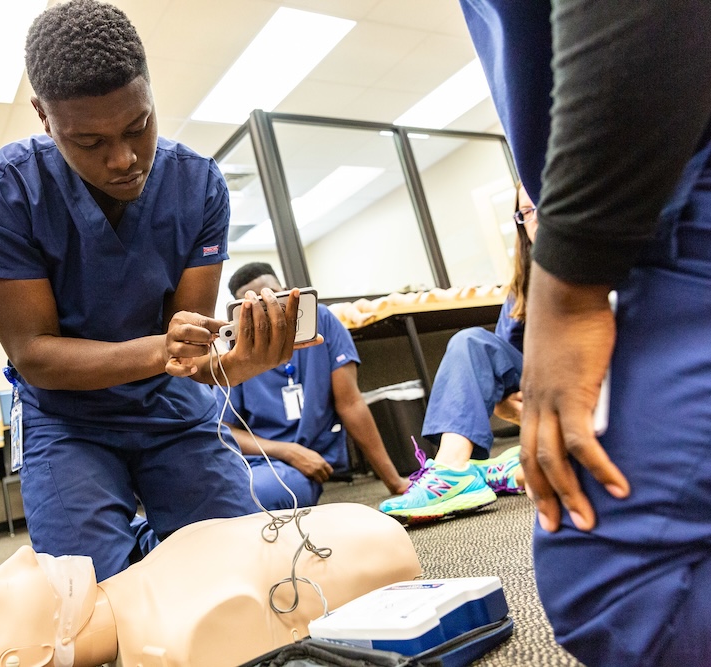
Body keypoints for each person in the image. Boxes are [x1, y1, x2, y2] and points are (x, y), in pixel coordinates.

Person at [0, 0, 307, 582]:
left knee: (239, 575)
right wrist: (161, 352)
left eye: (137, 126)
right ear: (44, 117)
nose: (123, 159)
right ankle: (141, 546)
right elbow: (34, 355)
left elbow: (192, 352)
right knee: (94, 597)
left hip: (168, 407)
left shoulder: (196, 185)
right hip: (66, 416)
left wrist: (237, 364)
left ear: (150, 93)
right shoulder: (3, 195)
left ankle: (155, 541)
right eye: (89, 141)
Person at [460, 1, 711, 665]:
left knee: (619, 589)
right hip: (632, 222)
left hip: (665, 186)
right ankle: (451, 465)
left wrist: (568, 286)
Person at [0, 502, 422, 667]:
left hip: (368, 534)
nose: (20, 557)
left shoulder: (148, 581)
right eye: (1, 588)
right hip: (380, 546)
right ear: (21, 660)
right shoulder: (182, 636)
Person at [379, 185, 536, 523]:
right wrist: (508, 402)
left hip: (597, 392)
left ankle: (500, 471)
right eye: (526, 212)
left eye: (541, 206)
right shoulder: (523, 287)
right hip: (542, 396)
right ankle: (452, 471)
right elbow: (498, 367)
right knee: (470, 343)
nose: (534, 219)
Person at [218, 262, 409, 509]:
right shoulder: (238, 348)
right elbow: (226, 429)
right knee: (208, 496)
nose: (267, 311)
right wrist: (287, 451)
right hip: (258, 459)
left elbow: (350, 404)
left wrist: (395, 483)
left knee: (250, 497)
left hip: (301, 467)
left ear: (287, 291)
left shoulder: (323, 321)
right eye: (255, 306)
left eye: (273, 297)